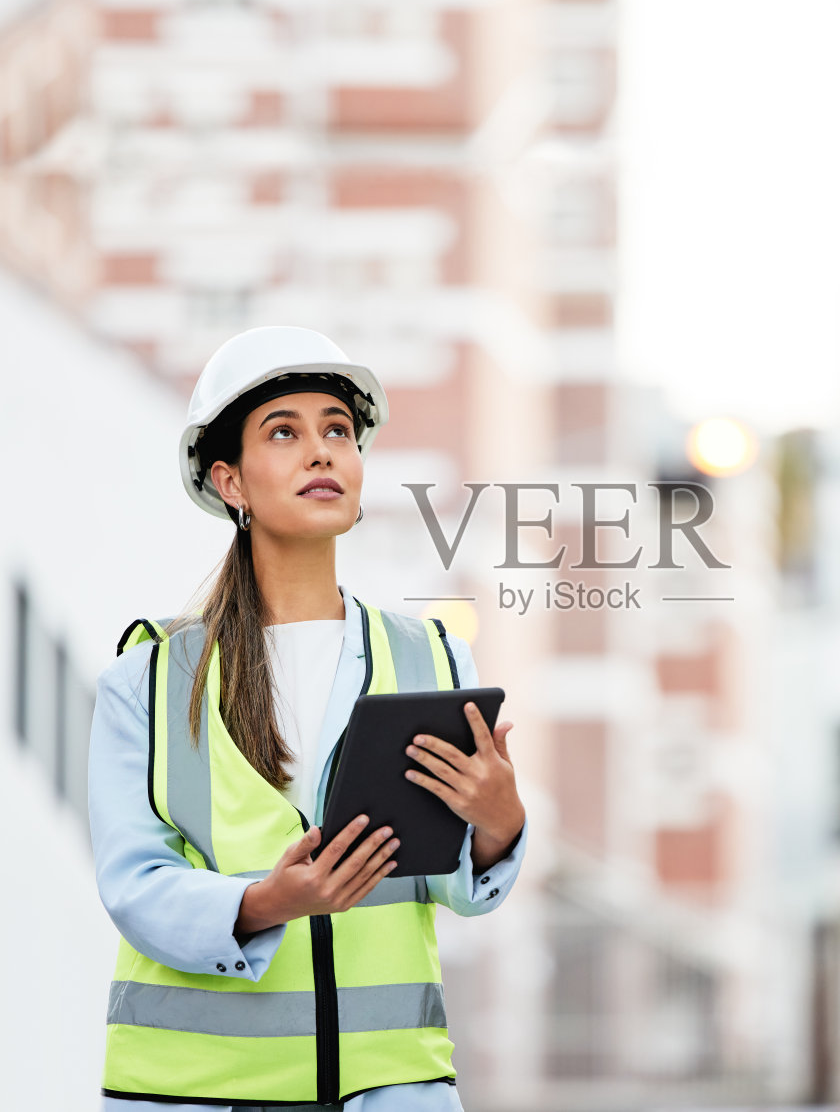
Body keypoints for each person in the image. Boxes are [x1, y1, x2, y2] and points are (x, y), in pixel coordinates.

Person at [88, 326, 528, 1110]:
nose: (321, 452)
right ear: (231, 482)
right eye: (283, 432)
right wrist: (265, 905)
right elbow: (134, 886)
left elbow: (456, 888)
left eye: (338, 431)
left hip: (389, 1094)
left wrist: (499, 824)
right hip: (196, 1095)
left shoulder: (433, 660)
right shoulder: (150, 680)